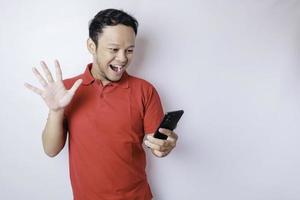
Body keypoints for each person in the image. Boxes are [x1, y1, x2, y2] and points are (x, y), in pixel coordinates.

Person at [24, 8, 178, 200]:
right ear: (91, 46)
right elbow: (51, 150)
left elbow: (156, 145)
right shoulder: (69, 90)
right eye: (114, 49)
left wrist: (163, 148)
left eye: (129, 50)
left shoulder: (145, 91)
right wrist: (55, 111)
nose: (122, 58)